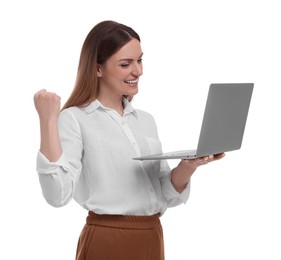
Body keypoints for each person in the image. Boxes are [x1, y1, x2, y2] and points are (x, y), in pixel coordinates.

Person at [34, 20, 225, 260]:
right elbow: (57, 195)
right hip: (108, 240)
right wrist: (48, 120)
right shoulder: (75, 118)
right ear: (98, 69)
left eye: (140, 60)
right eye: (126, 64)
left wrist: (188, 166)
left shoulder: (145, 120)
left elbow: (165, 193)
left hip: (152, 236)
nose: (138, 71)